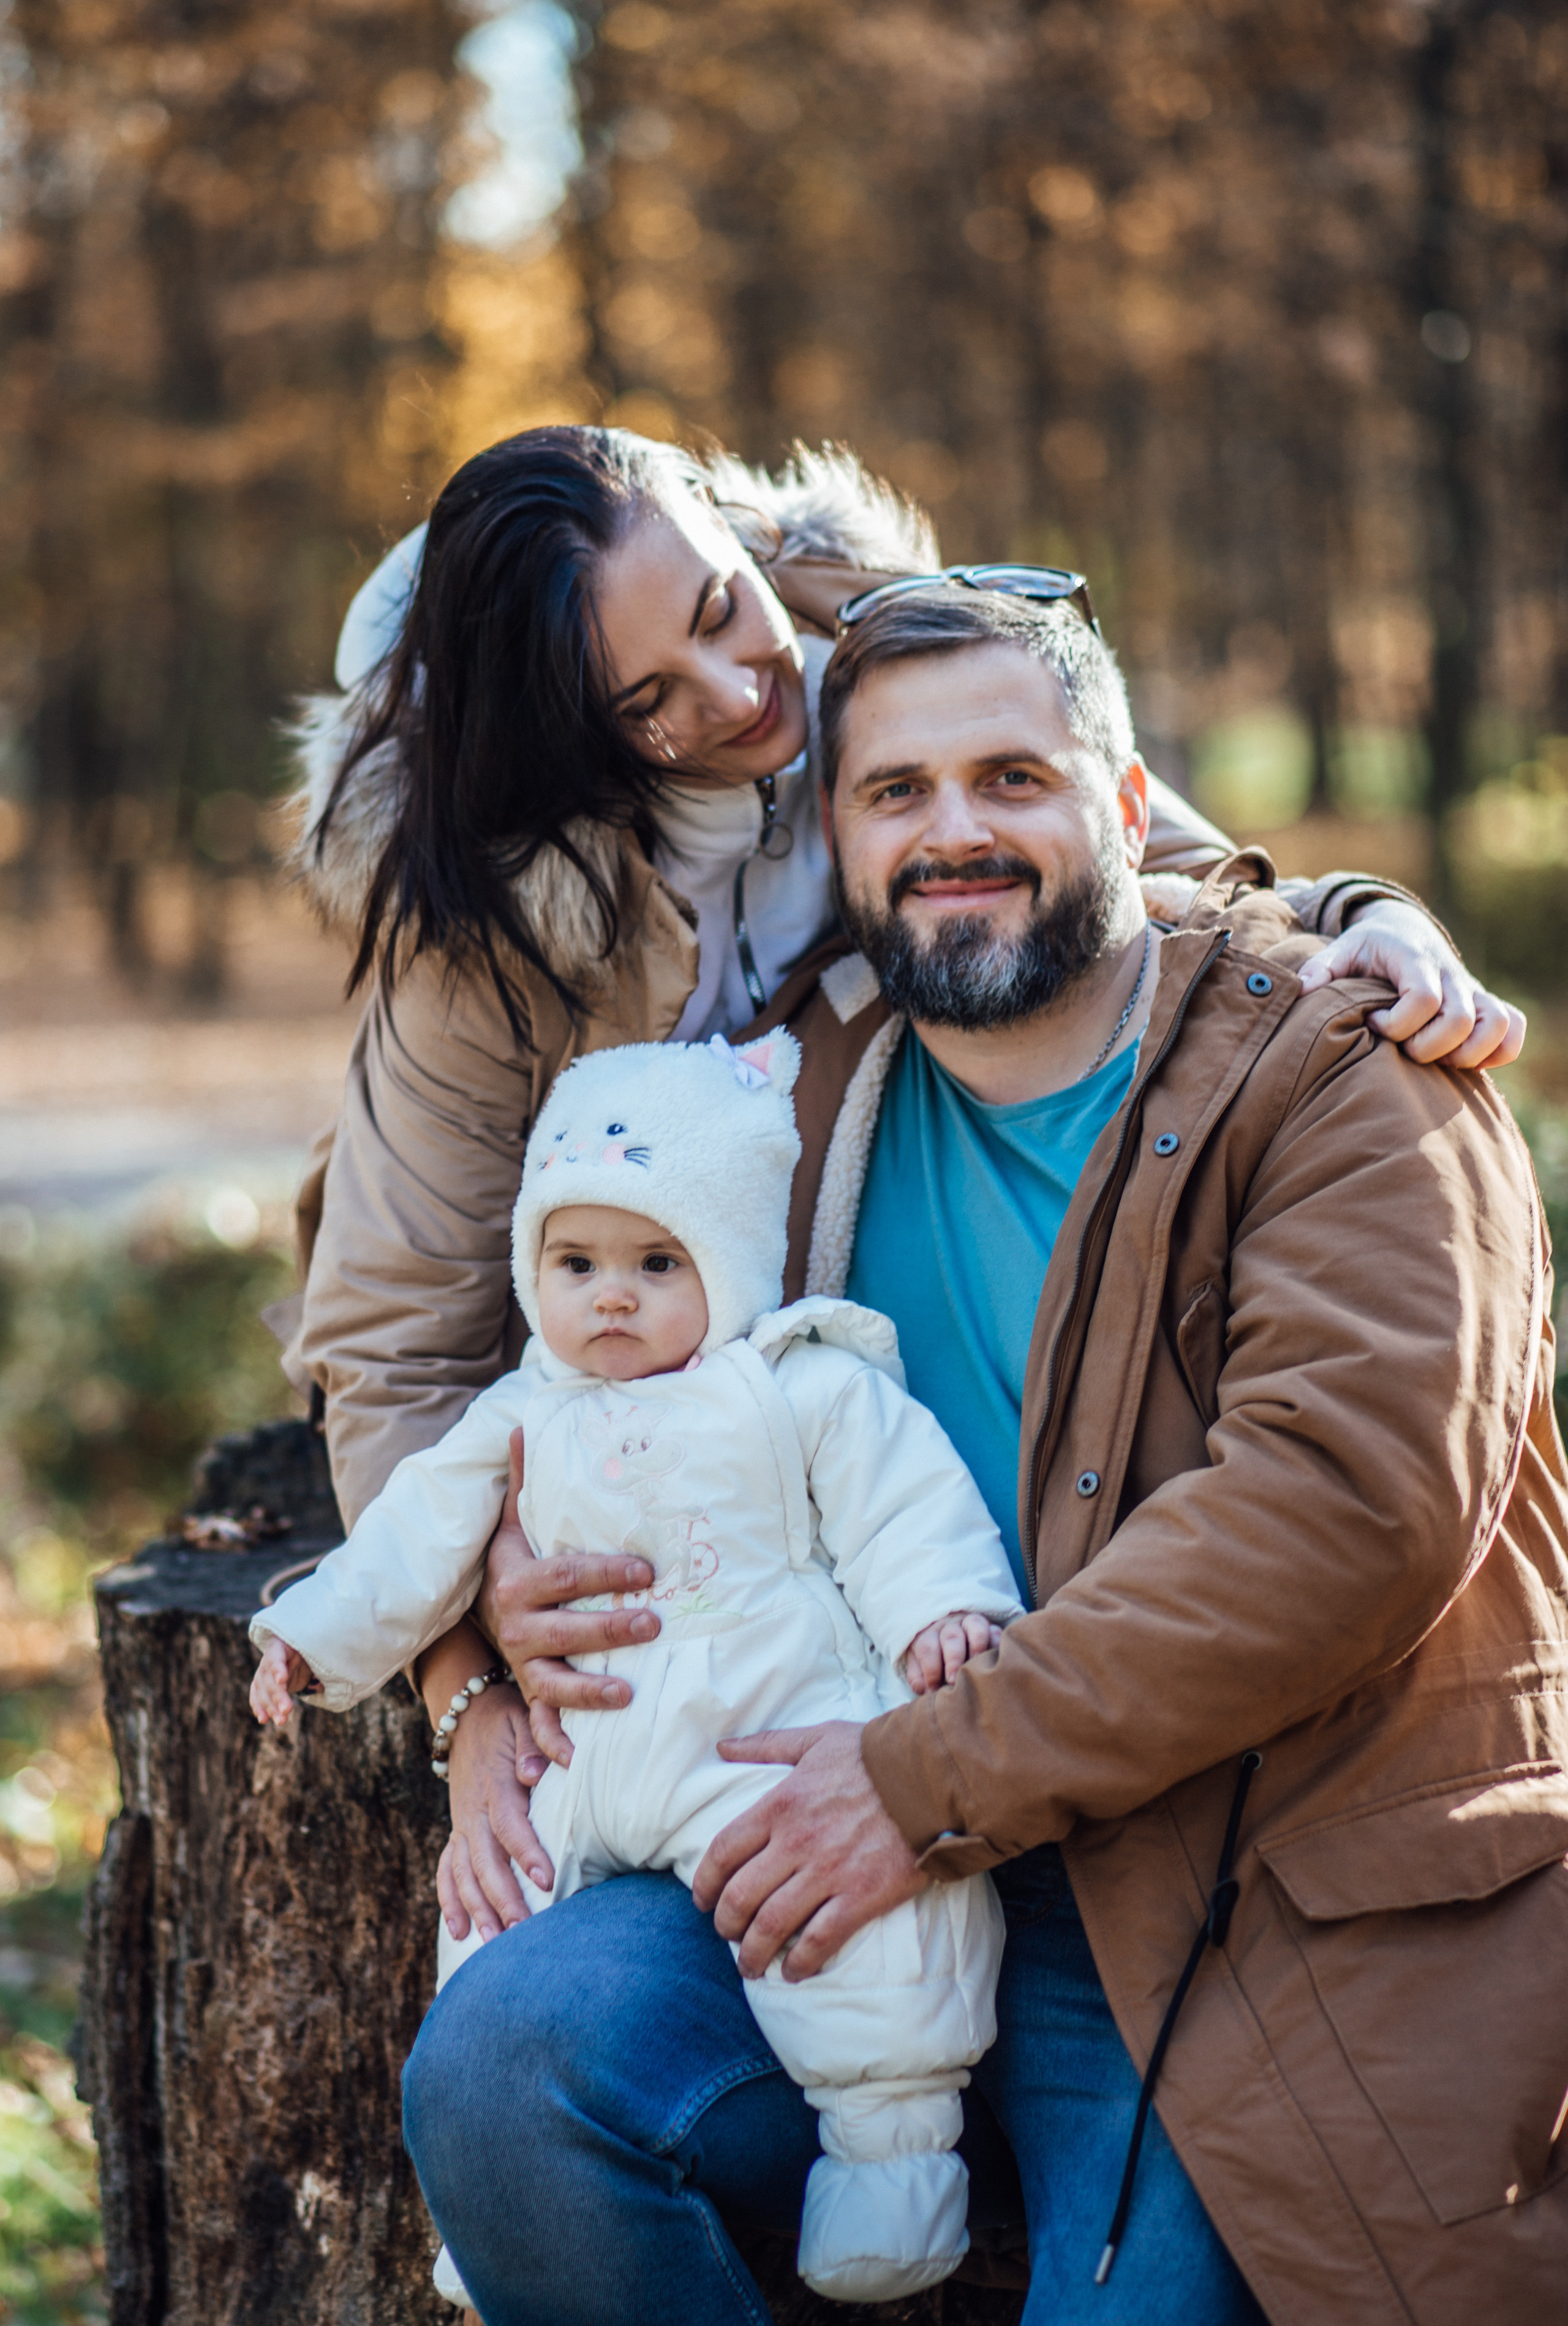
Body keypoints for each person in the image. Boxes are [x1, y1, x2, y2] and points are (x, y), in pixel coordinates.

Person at [408, 583, 1568, 2326]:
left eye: (1014, 778)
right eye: (900, 794)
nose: (958, 833)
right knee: (509, 2075)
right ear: (840, 845)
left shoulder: (1346, 1068)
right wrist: (477, 1617)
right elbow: (554, 1350)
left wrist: (927, 1773)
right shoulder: (788, 1106)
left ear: (1124, 809)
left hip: (1219, 1893)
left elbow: (1353, 1506)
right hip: (826, 1842)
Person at [273, 423, 1523, 1955]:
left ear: (739, 541)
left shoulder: (873, 641)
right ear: (561, 737)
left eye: (723, 611)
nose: (742, 698)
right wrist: (464, 1669)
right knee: (551, 2027)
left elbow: (1146, 870)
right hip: (622, 1434)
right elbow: (396, 1340)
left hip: (846, 1427)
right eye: (647, 703)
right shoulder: (482, 922)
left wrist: (1367, 914)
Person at [251, 1030, 1022, 2307]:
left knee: (851, 1933)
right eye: (575, 1264)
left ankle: (889, 2156)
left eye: (657, 1264)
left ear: (728, 1263)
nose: (611, 1297)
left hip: (759, 1736)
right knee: (489, 1923)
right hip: (586, 1753)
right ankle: (496, 2206)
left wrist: (942, 1612)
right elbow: (407, 1545)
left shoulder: (798, 1384)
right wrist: (314, 1634)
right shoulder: (518, 1414)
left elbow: (902, 1509)